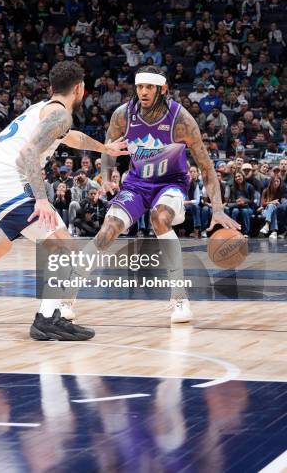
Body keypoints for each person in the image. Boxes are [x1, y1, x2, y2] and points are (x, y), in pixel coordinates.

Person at [0, 62, 128, 340]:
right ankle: (47, 318)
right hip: (4, 182)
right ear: (80, 89)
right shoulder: (59, 115)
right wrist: (41, 199)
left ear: (52, 87)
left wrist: (104, 147)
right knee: (64, 245)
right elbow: (28, 152)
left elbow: (73, 138)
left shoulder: (42, 111)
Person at [73, 65, 239, 324]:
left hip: (170, 183)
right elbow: (108, 148)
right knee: (108, 229)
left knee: (159, 218)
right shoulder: (123, 115)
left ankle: (180, 298)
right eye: (139, 87)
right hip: (137, 183)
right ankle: (66, 294)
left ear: (162, 89)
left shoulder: (181, 120)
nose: (143, 92)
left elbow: (206, 166)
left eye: (149, 87)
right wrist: (106, 178)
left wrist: (217, 208)